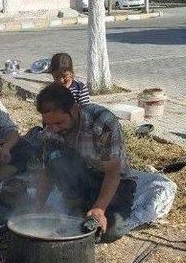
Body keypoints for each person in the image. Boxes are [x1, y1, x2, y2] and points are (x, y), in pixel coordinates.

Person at [34, 83, 136, 242]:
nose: (53, 129)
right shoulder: (50, 131)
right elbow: (47, 171)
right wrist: (37, 205)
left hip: (114, 181)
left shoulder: (102, 122)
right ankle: (77, 204)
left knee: (109, 231)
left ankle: (93, 207)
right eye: (48, 124)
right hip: (83, 175)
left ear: (74, 109)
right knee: (55, 159)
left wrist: (99, 209)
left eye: (59, 123)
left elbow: (113, 172)